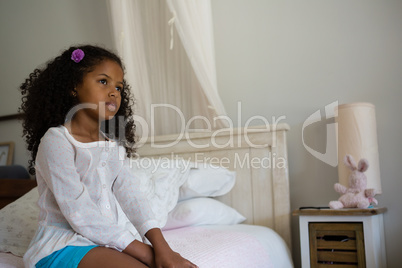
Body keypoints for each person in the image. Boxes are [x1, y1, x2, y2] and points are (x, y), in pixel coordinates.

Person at [20, 45, 198, 268]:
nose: (114, 92)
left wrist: (162, 248)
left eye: (119, 87)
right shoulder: (57, 141)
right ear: (74, 86)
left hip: (103, 243)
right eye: (103, 81)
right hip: (63, 245)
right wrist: (145, 252)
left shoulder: (113, 148)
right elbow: (79, 211)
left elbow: (133, 198)